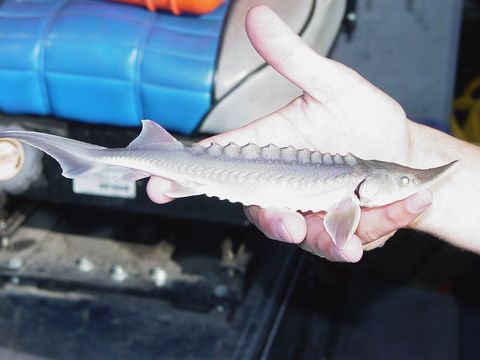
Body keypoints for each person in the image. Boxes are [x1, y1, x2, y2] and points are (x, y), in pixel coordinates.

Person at [147, 6, 480, 262]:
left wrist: (418, 162)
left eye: (406, 180)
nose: (409, 184)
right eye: (404, 181)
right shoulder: (352, 190)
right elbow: (342, 225)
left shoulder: (352, 195)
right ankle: (123, 154)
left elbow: (341, 224)